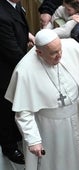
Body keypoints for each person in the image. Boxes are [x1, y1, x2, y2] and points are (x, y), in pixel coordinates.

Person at [5, 29, 79, 170]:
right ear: (39, 52)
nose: (60, 56)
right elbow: (23, 112)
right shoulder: (25, 70)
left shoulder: (68, 46)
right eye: (53, 53)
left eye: (60, 50)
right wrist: (34, 140)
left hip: (78, 116)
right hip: (49, 129)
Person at [0, 0, 34, 164]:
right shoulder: (2, 15)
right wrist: (33, 67)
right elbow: (12, 51)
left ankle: (15, 134)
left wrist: (25, 36)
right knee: (5, 107)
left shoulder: (15, 6)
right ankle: (9, 147)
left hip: (14, 65)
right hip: (5, 70)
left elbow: (18, 28)